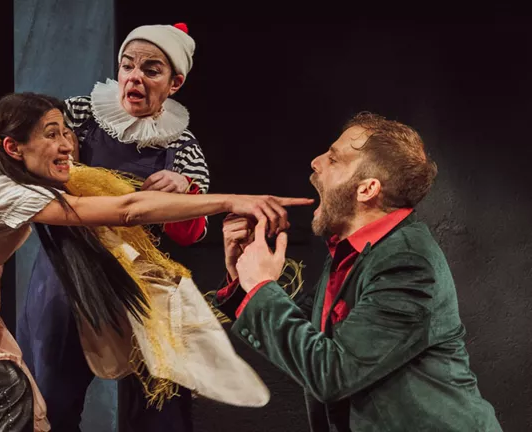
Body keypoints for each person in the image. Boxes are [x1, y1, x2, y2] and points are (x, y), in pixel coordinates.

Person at [0, 92, 307, 432]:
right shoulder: (4, 192)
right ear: (15, 149)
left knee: (10, 401)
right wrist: (231, 200)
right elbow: (128, 208)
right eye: (51, 135)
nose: (68, 145)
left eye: (66, 132)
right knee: (7, 392)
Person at [215, 112, 502, 431]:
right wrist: (244, 278)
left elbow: (332, 372)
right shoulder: (355, 252)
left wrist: (261, 286)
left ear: (367, 189)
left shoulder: (408, 263)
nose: (315, 162)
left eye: (334, 159)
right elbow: (304, 338)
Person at [12, 22, 211, 432]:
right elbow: (10, 133)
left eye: (151, 70)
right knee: (51, 398)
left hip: (139, 283)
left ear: (174, 83)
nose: (135, 77)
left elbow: (190, 234)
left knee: (161, 403)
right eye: (127, 66)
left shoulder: (182, 147)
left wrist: (183, 191)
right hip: (67, 276)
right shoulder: (80, 114)